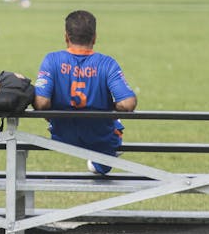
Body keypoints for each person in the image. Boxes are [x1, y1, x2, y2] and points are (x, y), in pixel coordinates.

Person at [33, 10, 137, 175]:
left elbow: (41, 102)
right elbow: (128, 103)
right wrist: (113, 106)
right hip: (100, 137)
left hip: (62, 138)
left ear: (66, 36)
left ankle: (100, 162)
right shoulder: (107, 64)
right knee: (114, 122)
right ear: (95, 37)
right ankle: (101, 163)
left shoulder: (51, 60)